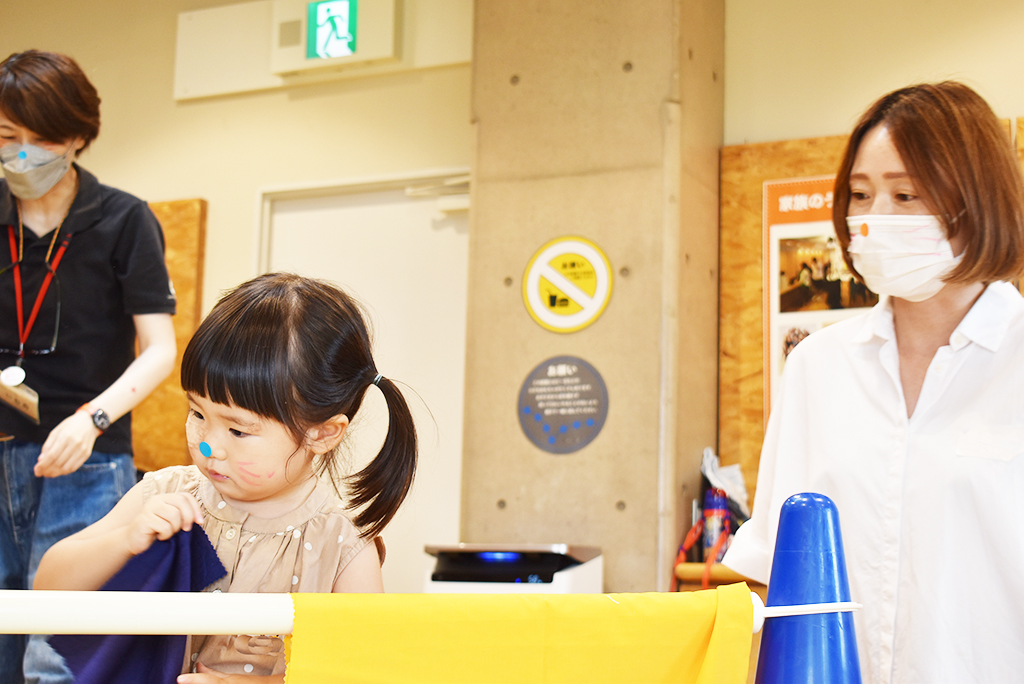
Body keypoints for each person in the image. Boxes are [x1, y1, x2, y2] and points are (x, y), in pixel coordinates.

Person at [722, 82, 1024, 683]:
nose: (872, 219)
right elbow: (773, 568)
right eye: (860, 195)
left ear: (978, 202)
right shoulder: (818, 367)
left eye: (905, 194)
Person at [35, 272, 419, 682]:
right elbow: (46, 589)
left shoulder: (341, 546)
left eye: (238, 430)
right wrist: (126, 542)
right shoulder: (165, 494)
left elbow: (363, 672)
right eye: (197, 413)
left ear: (321, 434)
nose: (207, 446)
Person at [0, 50, 177, 683]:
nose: (22, 156)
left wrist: (91, 420)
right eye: (7, 137)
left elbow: (161, 348)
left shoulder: (124, 219)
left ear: (78, 136)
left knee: (61, 655)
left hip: (88, 458)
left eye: (42, 139)